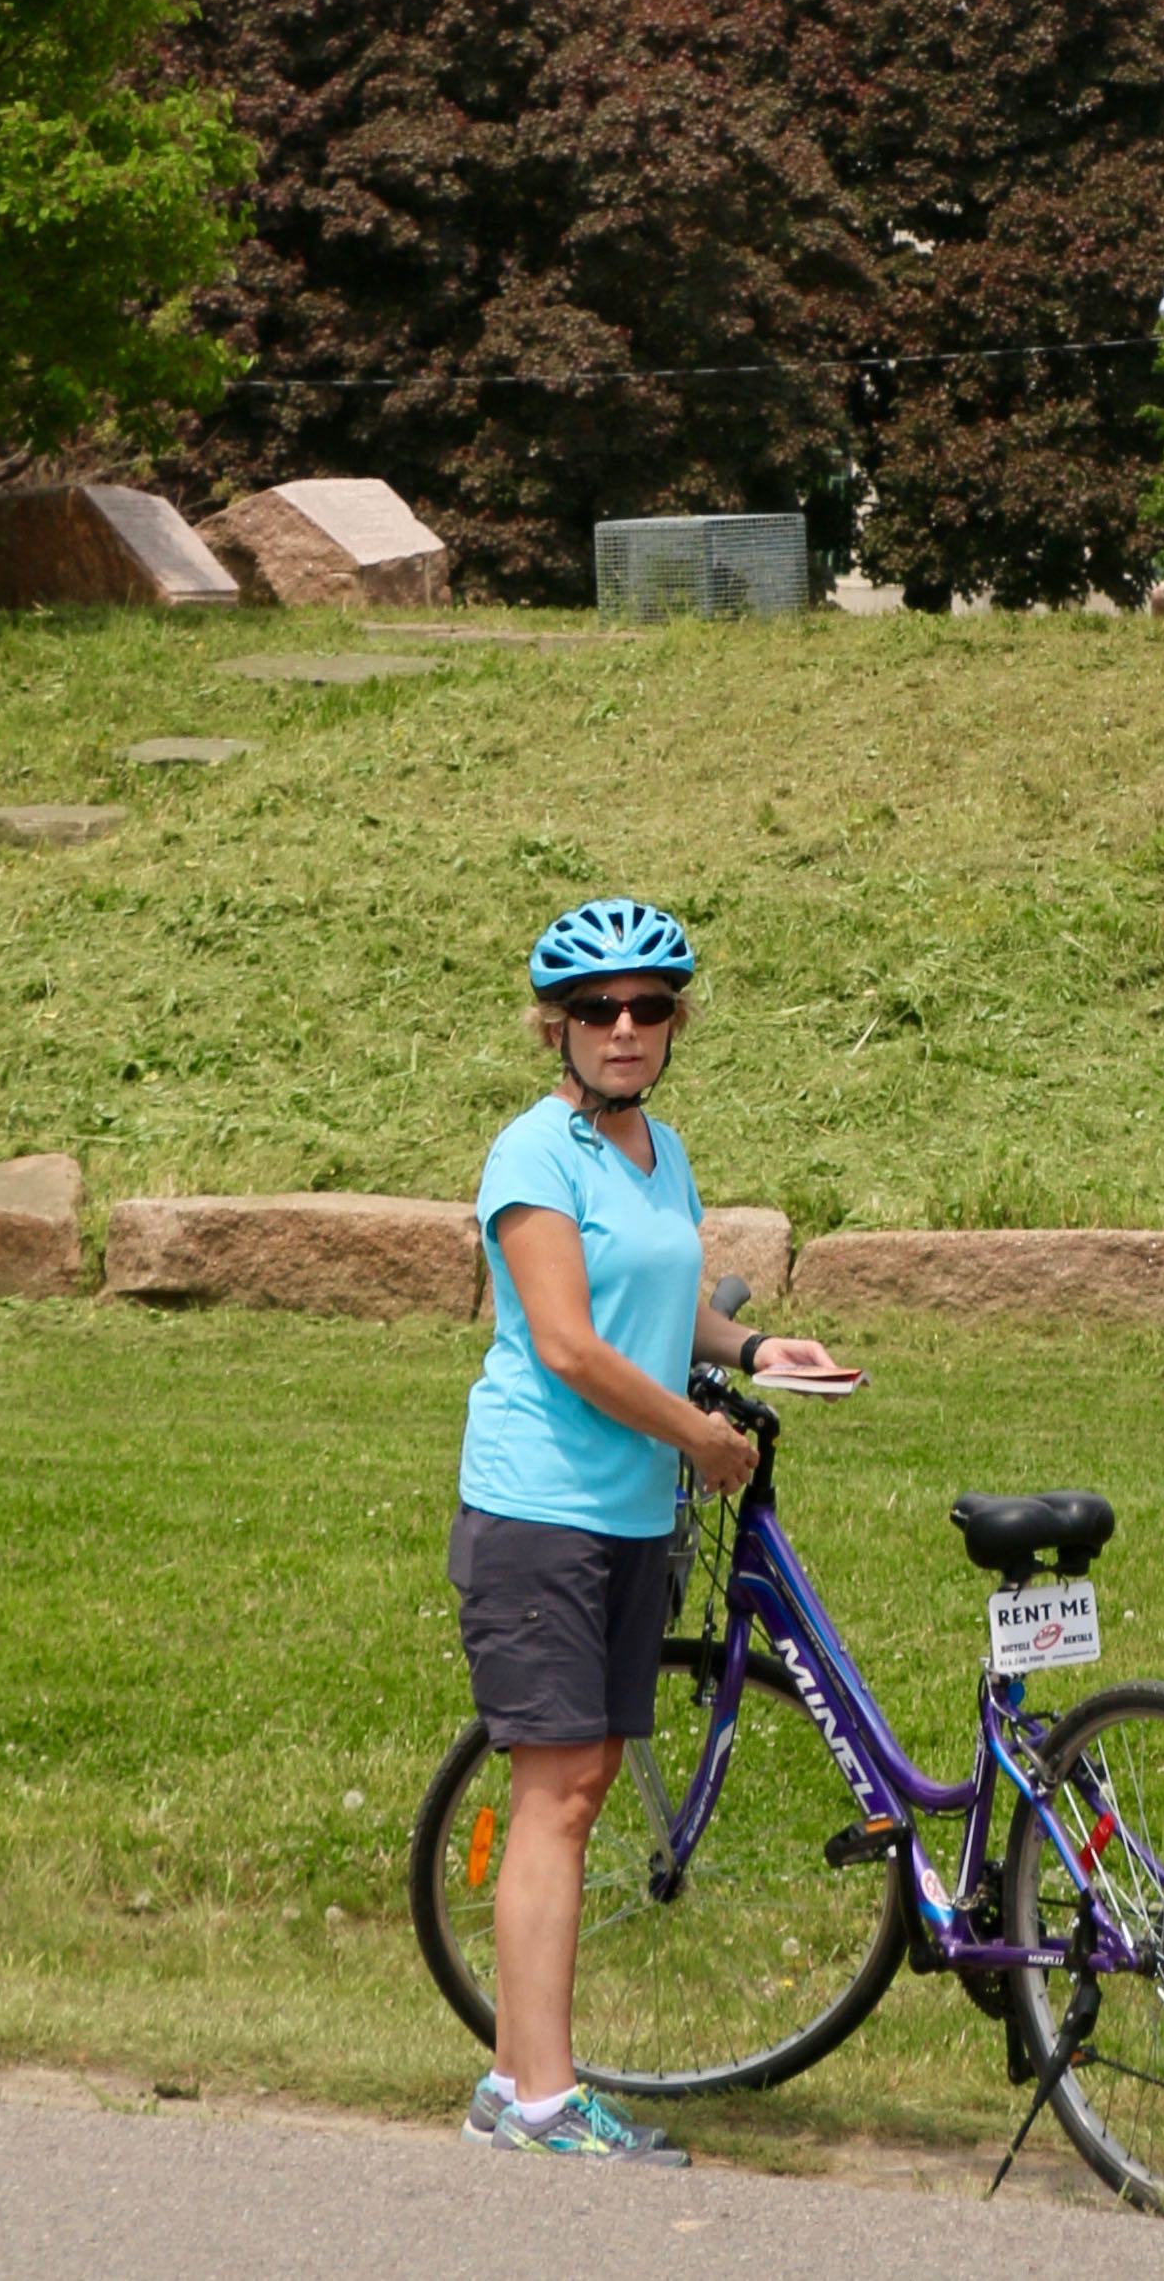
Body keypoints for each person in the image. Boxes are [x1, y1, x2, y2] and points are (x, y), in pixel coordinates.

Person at [449, 896, 843, 2163]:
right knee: (555, 1793)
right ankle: (545, 2102)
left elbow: (656, 1311)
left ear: (674, 1024)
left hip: (625, 1517)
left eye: (649, 1007)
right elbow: (567, 1344)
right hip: (539, 1508)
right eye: (597, 1011)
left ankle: (516, 2082)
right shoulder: (532, 1156)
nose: (624, 1029)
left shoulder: (655, 1150)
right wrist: (697, 1435)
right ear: (553, 1029)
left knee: (583, 1780)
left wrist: (755, 1345)